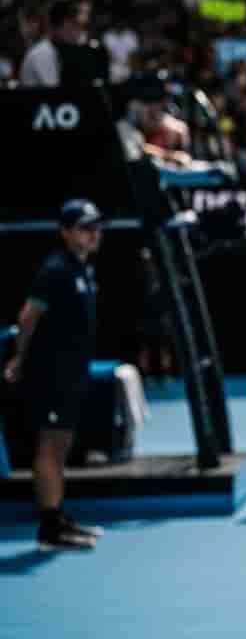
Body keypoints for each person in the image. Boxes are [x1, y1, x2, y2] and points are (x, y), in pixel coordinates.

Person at [2, 199, 108, 551]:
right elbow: (28, 316)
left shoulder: (82, 268)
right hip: (50, 372)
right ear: (65, 232)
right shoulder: (56, 269)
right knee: (49, 445)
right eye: (84, 228)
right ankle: (49, 528)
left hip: (71, 372)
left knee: (61, 444)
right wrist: (19, 357)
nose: (93, 234)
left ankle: (58, 517)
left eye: (96, 227)